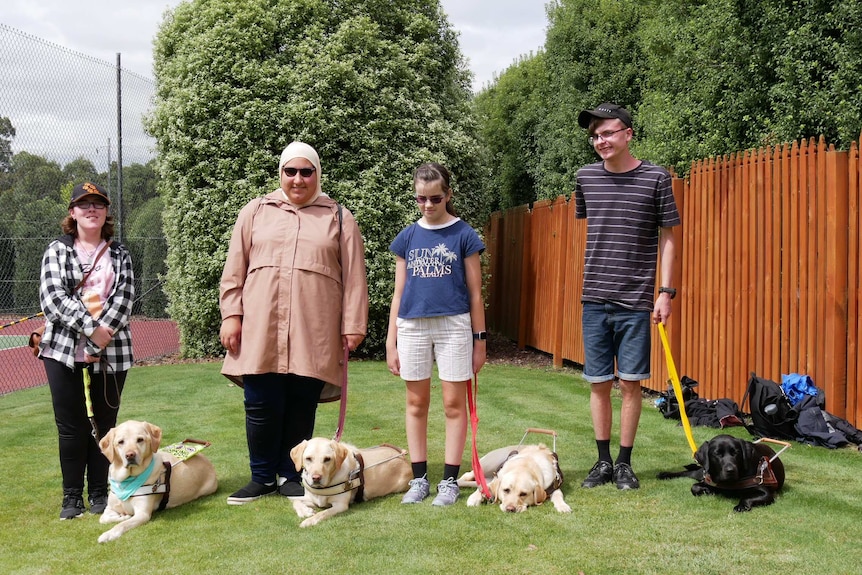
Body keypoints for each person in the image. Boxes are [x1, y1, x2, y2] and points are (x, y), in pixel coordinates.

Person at [220, 141, 368, 505]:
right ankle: (260, 476)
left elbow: (354, 278)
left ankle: (290, 475)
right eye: (291, 171)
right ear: (281, 173)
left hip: (313, 324)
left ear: (317, 175)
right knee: (259, 399)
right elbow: (234, 270)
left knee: (302, 399)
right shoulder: (255, 211)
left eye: (306, 171)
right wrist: (231, 316)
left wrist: (354, 324)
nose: (298, 179)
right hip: (261, 322)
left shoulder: (338, 217)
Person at [574, 103, 681, 490]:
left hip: (636, 299)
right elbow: (594, 234)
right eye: (595, 136)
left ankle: (624, 464)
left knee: (631, 384)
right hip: (594, 298)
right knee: (598, 383)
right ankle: (602, 463)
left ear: (628, 134)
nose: (600, 141)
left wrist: (665, 293)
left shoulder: (656, 178)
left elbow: (669, 237)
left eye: (607, 133)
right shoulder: (585, 178)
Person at [386, 162, 486, 506]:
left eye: (435, 198)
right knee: (416, 403)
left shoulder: (464, 235)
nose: (428, 205)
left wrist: (480, 340)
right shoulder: (407, 237)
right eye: (421, 199)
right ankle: (419, 480)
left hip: (455, 326)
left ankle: (449, 481)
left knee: (453, 404)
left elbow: (475, 293)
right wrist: (390, 341)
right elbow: (398, 294)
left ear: (448, 195)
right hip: (411, 326)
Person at [38, 181, 135, 519]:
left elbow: (123, 300)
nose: (91, 209)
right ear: (72, 213)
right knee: (72, 427)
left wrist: (98, 342)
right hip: (63, 352)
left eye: (98, 203)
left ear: (106, 212)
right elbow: (53, 300)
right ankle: (71, 498)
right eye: (84, 204)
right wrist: (92, 329)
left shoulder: (120, 253)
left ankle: (98, 493)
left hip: (112, 353)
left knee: (106, 426)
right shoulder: (57, 250)